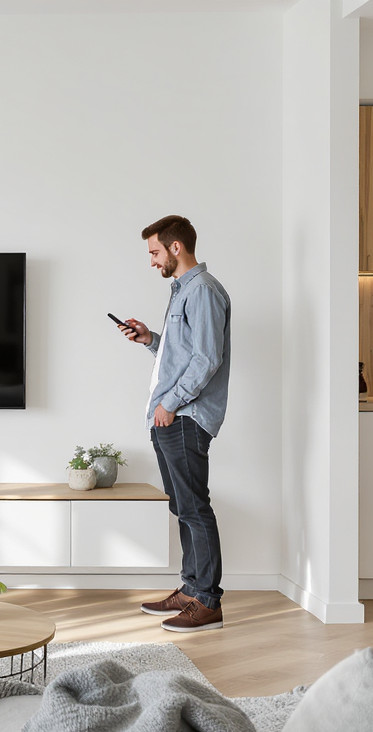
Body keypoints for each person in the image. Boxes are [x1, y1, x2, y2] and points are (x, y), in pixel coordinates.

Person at [117, 215, 231, 633]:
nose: (152, 261)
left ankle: (208, 602)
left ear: (175, 247)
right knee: (183, 506)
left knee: (195, 507)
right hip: (171, 416)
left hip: (184, 417)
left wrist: (170, 402)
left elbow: (206, 360)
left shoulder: (202, 291)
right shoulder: (184, 291)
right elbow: (183, 356)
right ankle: (191, 588)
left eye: (154, 252)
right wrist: (151, 340)